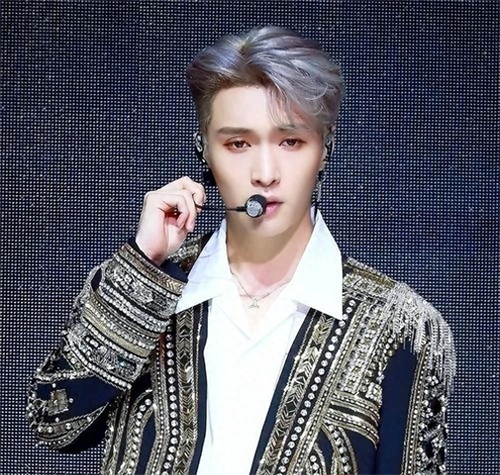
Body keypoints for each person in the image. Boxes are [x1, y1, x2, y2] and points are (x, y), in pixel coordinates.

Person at [27, 26, 455, 475]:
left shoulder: (403, 326)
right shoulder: (136, 286)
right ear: (204, 150)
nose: (265, 173)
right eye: (238, 144)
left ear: (324, 149)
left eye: (291, 141)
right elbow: (53, 424)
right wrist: (144, 267)